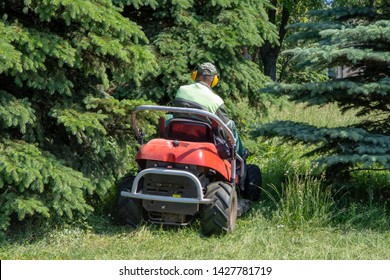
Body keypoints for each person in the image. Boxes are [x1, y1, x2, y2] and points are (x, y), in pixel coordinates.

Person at [173, 62, 247, 159]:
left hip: (179, 132)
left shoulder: (181, 90)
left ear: (195, 75)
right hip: (204, 138)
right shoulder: (216, 101)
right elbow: (225, 130)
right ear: (214, 80)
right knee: (231, 124)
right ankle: (240, 159)